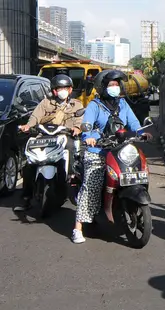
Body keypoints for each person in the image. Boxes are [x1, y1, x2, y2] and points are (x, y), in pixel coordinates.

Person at [75, 70, 152, 244]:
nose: (115, 88)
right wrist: (90, 138)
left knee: (138, 169)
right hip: (99, 151)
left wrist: (142, 133)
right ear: (102, 87)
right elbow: (86, 125)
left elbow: (133, 123)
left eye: (117, 85)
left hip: (120, 149)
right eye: (111, 85)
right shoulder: (95, 105)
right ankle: (78, 227)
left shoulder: (123, 103)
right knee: (92, 184)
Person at [14, 74, 84, 212]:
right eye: (59, 88)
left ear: (70, 90)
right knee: (30, 163)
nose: (62, 91)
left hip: (65, 136)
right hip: (44, 136)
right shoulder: (46, 102)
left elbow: (80, 120)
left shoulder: (77, 104)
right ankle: (26, 198)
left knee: (72, 151)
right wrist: (28, 126)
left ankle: (70, 181)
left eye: (65, 88)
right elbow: (35, 116)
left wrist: (77, 128)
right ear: (54, 91)